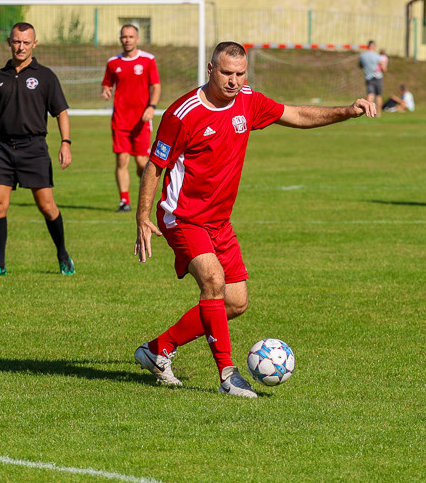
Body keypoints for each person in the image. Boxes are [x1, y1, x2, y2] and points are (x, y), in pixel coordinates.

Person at [133, 41, 376, 398]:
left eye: (240, 74)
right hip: (182, 216)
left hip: (219, 221)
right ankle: (228, 376)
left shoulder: (249, 100)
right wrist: (141, 216)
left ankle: (157, 350)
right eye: (227, 73)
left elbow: (296, 115)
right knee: (213, 282)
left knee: (235, 302)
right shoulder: (182, 114)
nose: (234, 81)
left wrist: (347, 111)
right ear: (210, 70)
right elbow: (156, 164)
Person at [0, 22, 75, 276]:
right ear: (9, 42)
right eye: (17, 41)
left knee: (47, 207)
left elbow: (61, 112)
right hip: (3, 149)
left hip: (34, 148)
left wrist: (65, 143)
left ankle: (63, 255)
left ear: (34, 44)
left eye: (26, 42)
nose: (21, 46)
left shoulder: (46, 76)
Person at [101, 24, 161, 212]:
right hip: (120, 120)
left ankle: (145, 191)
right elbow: (107, 83)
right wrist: (106, 90)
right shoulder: (113, 63)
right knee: (121, 161)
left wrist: (151, 107)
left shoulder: (148, 60)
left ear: (137, 39)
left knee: (142, 163)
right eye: (124, 37)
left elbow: (156, 87)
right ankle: (124, 201)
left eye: (130, 37)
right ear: (120, 39)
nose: (127, 40)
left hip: (141, 121)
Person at [360, 40, 383, 117]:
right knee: (379, 96)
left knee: (370, 95)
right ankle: (378, 113)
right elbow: (383, 67)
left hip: (368, 77)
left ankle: (369, 113)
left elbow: (360, 65)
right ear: (373, 46)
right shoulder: (377, 56)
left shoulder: (362, 56)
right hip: (378, 77)